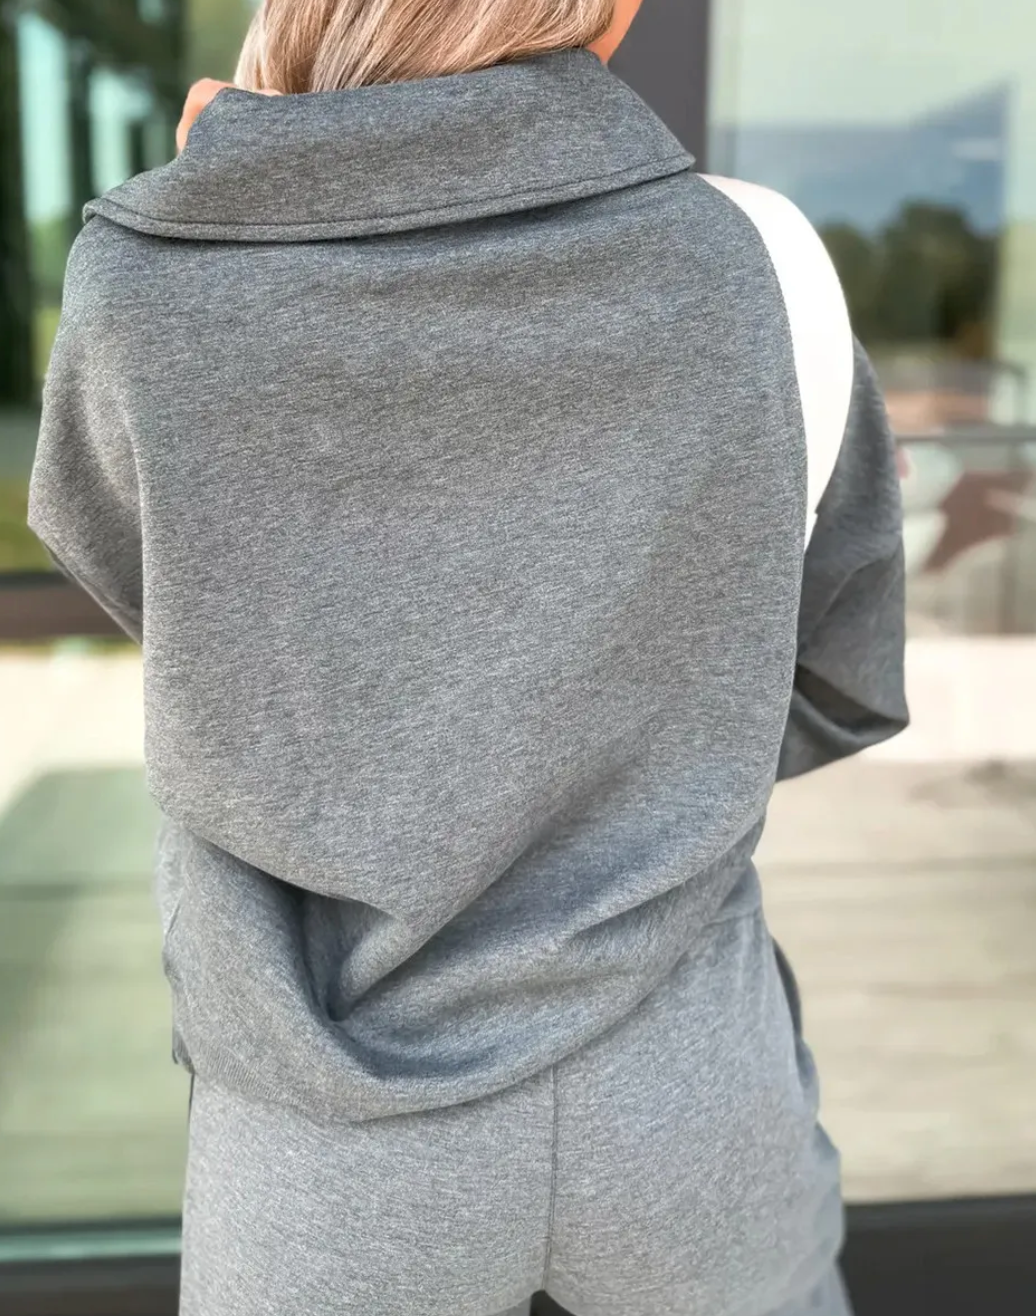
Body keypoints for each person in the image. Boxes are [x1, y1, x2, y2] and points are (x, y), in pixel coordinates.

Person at [27, 2, 908, 1314]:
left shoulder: (142, 275)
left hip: (328, 1118)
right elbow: (840, 666)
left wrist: (224, 205)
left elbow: (180, 607)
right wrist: (638, 752)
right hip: (680, 1082)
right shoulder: (756, 254)